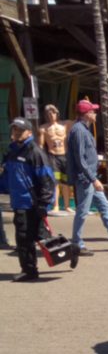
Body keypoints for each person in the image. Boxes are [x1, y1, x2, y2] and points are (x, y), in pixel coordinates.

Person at [68, 99, 108, 266]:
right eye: (93, 111)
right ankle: (77, 244)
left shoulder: (82, 129)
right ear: (87, 114)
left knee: (104, 207)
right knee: (82, 211)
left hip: (89, 177)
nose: (95, 114)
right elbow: (80, 159)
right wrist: (93, 178)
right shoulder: (79, 131)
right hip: (86, 179)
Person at [4, 117, 55, 282]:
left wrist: (44, 203)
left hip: (30, 203)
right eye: (14, 129)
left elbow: (47, 179)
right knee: (39, 236)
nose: (16, 132)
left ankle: (29, 271)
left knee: (24, 238)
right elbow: (10, 177)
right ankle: (72, 249)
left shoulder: (35, 152)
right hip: (19, 200)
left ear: (29, 132)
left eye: (20, 130)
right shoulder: (12, 151)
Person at [38, 104, 72, 213]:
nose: (51, 115)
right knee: (56, 181)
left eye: (53, 112)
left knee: (66, 182)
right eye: (49, 113)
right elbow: (41, 146)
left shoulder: (66, 124)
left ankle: (67, 205)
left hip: (65, 156)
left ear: (57, 113)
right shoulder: (43, 128)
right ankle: (56, 205)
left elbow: (79, 121)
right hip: (53, 156)